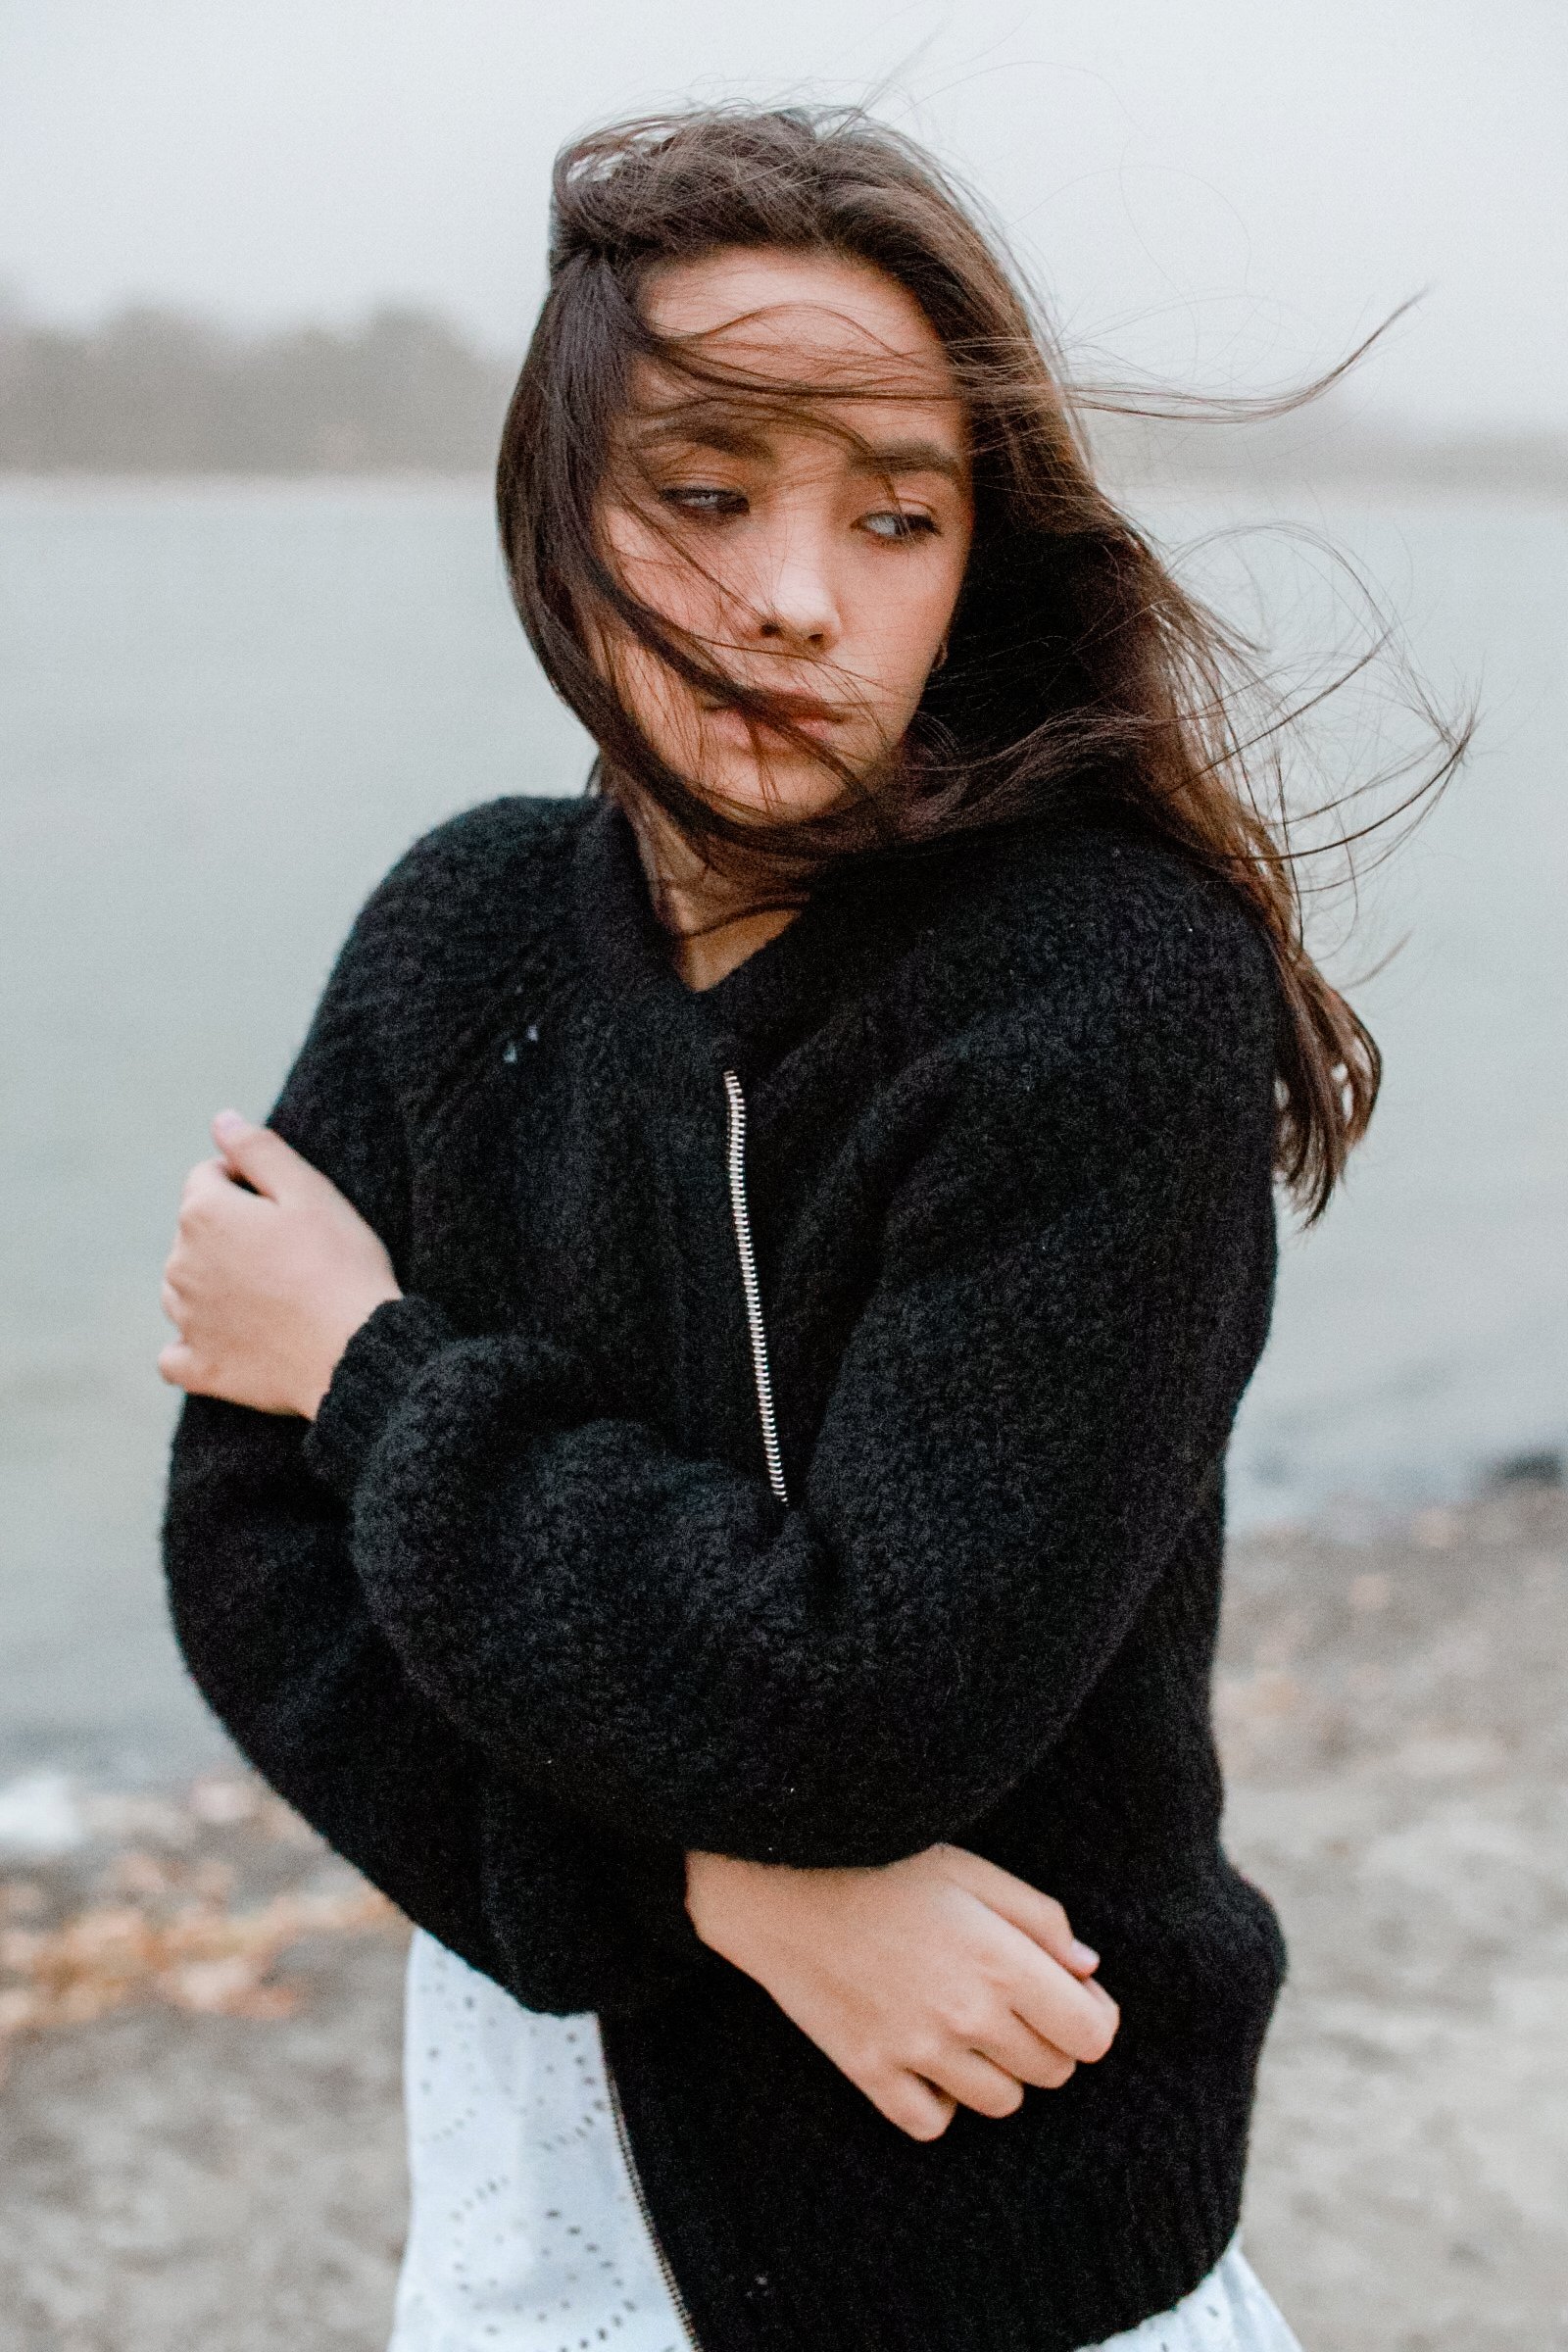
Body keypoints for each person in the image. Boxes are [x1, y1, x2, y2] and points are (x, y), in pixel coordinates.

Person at [157, 102, 1429, 2352]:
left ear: (970, 564)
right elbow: (251, 1573)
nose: (794, 596)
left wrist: (366, 1367)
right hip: (534, 2151)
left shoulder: (1096, 986)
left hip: (981, 2207)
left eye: (892, 515)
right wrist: (697, 1891)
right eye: (703, 491)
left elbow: (861, 1700)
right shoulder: (458, 937)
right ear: (558, 515)